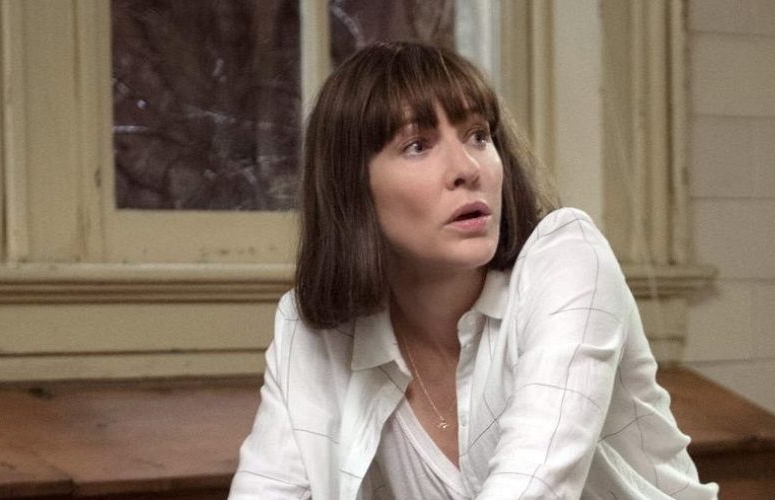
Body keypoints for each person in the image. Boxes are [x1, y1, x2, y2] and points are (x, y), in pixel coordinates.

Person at [229, 40, 719, 500]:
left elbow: (534, 487)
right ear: (351, 188)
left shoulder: (568, 260)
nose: (468, 167)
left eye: (478, 136)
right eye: (417, 145)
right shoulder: (310, 331)